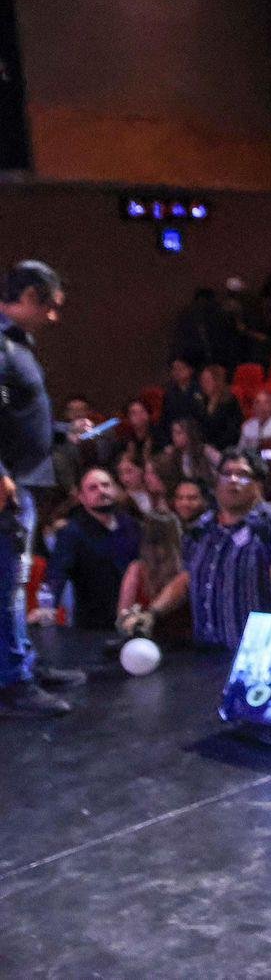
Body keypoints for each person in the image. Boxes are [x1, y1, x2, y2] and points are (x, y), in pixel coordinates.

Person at [0, 260, 88, 717]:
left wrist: (61, 432)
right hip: (6, 488)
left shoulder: (17, 345)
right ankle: (11, 683)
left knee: (15, 584)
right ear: (31, 297)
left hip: (20, 483)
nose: (53, 317)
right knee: (7, 586)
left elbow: (17, 415)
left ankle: (22, 666)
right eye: (50, 306)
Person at [182, 449, 271, 650]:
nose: (233, 480)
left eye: (243, 474)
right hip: (205, 650)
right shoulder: (202, 527)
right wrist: (153, 612)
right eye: (226, 473)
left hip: (254, 651)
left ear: (258, 484)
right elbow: (186, 578)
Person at [31, 467, 142, 632]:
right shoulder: (72, 532)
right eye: (93, 488)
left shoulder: (131, 525)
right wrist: (48, 607)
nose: (101, 491)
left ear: (115, 489)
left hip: (133, 619)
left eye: (106, 485)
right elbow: (57, 573)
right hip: (92, 625)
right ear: (82, 498)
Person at [115, 509, 191, 648]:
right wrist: (131, 621)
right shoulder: (136, 570)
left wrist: (145, 616)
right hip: (147, 644)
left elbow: (122, 616)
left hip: (178, 646)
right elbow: (123, 617)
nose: (160, 550)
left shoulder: (186, 575)